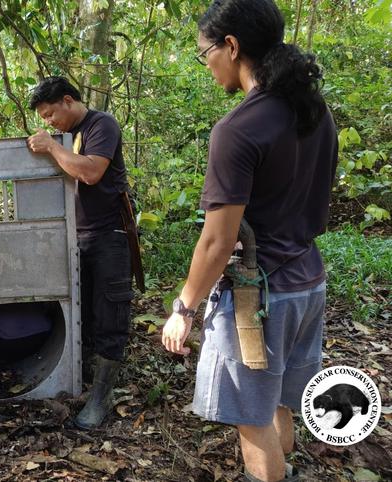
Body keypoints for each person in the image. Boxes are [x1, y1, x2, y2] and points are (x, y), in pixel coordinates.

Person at [160, 0, 337, 480]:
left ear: (231, 46)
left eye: (205, 54)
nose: (208, 65)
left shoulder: (237, 130)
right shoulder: (315, 112)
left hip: (258, 300)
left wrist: (185, 309)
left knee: (249, 416)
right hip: (309, 285)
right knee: (279, 399)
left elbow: (218, 243)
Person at [27, 76, 144, 430]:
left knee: (110, 313)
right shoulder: (69, 136)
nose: (49, 122)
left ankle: (102, 396)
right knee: (81, 314)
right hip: (76, 236)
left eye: (50, 114)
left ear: (68, 100)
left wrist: (51, 146)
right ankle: (80, 383)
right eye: (44, 118)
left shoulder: (100, 124)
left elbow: (91, 172)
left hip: (108, 235)